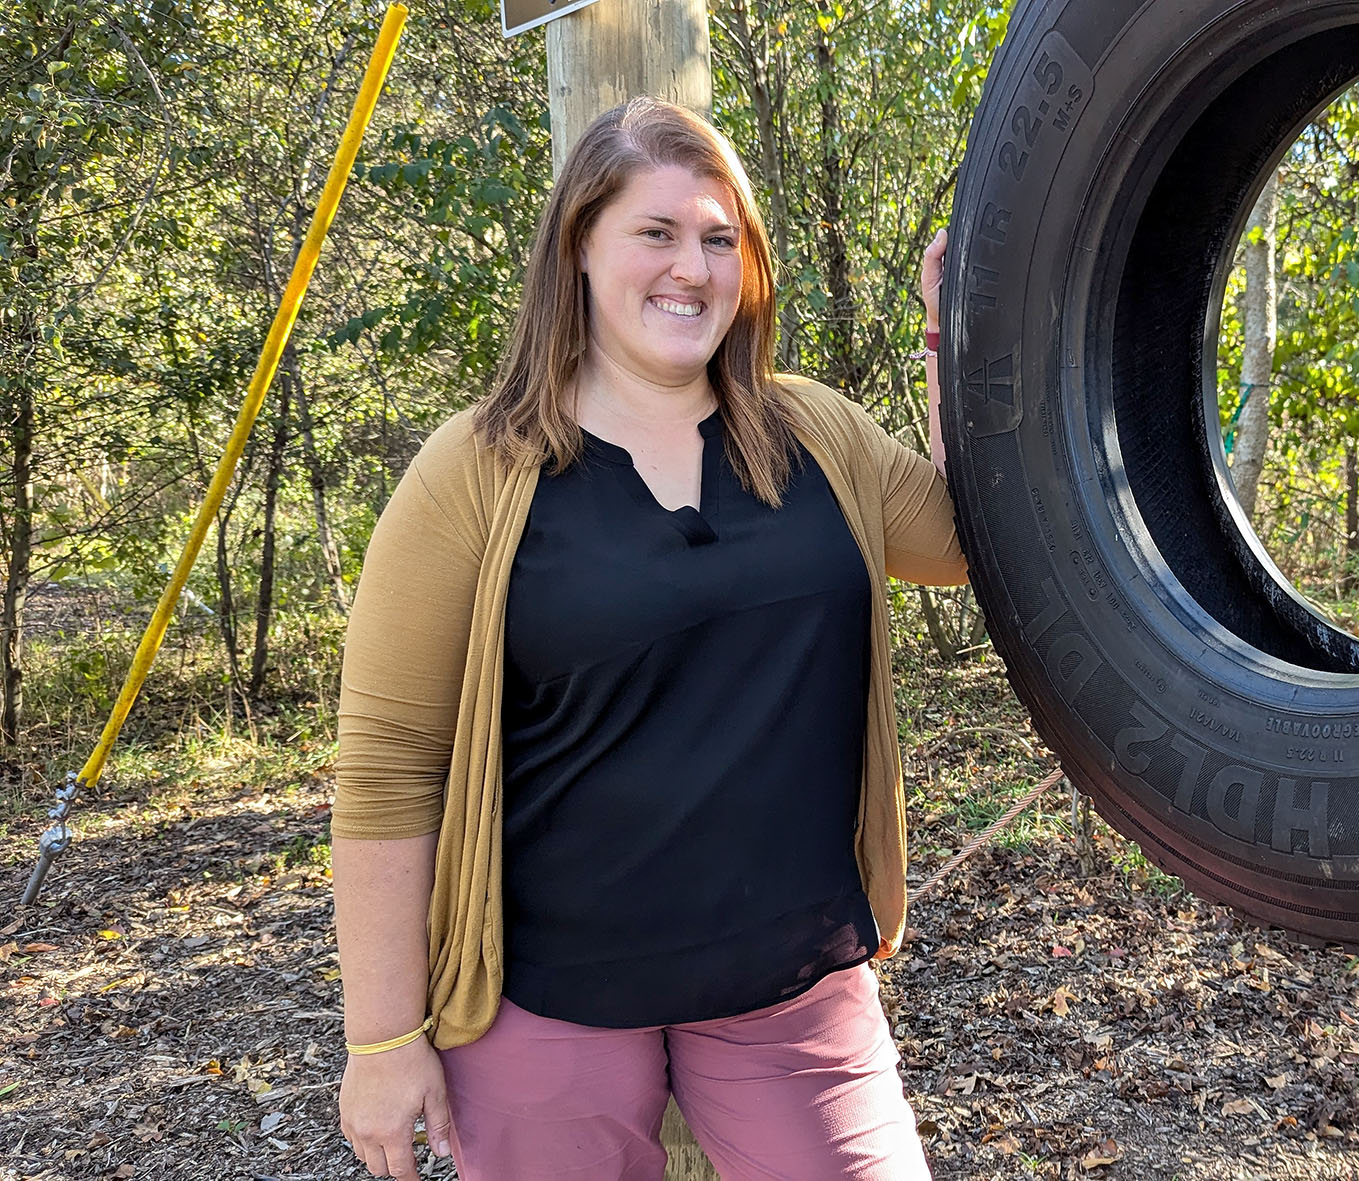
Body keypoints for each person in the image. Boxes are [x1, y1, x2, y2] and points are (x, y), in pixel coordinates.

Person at [330, 96, 965, 1180]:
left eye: (721, 238)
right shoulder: (476, 472)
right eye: (657, 232)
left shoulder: (815, 434)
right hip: (546, 1008)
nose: (694, 267)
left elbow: (966, 536)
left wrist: (958, 324)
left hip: (794, 991)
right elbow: (389, 767)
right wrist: (382, 1042)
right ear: (579, 245)